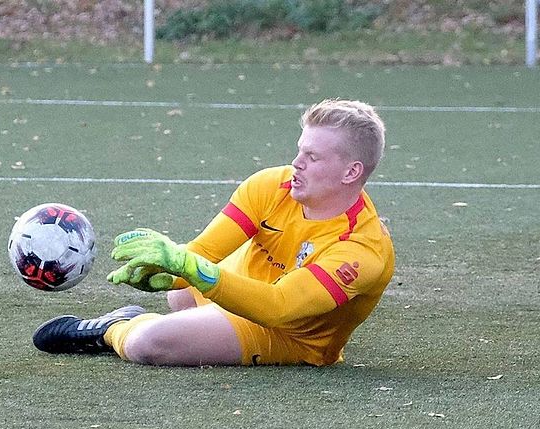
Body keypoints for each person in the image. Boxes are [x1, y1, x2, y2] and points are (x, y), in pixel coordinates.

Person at [33, 98, 395, 367]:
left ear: (351, 173)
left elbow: (279, 308)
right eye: (299, 150)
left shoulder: (362, 252)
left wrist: (191, 269)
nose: (297, 163)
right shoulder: (272, 185)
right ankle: (184, 317)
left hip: (288, 334)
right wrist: (164, 268)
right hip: (247, 287)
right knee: (179, 297)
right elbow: (203, 252)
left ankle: (113, 327)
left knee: (148, 343)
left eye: (313, 157)